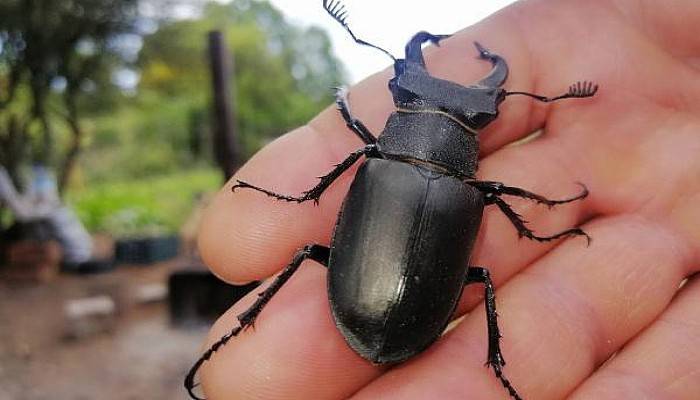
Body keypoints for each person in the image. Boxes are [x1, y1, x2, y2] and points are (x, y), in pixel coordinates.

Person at [193, 0, 700, 398]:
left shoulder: (375, 159)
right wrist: (541, 216)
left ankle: (246, 323)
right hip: (389, 310)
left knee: (308, 252)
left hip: (374, 303)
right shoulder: (471, 193)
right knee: (484, 277)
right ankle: (496, 364)